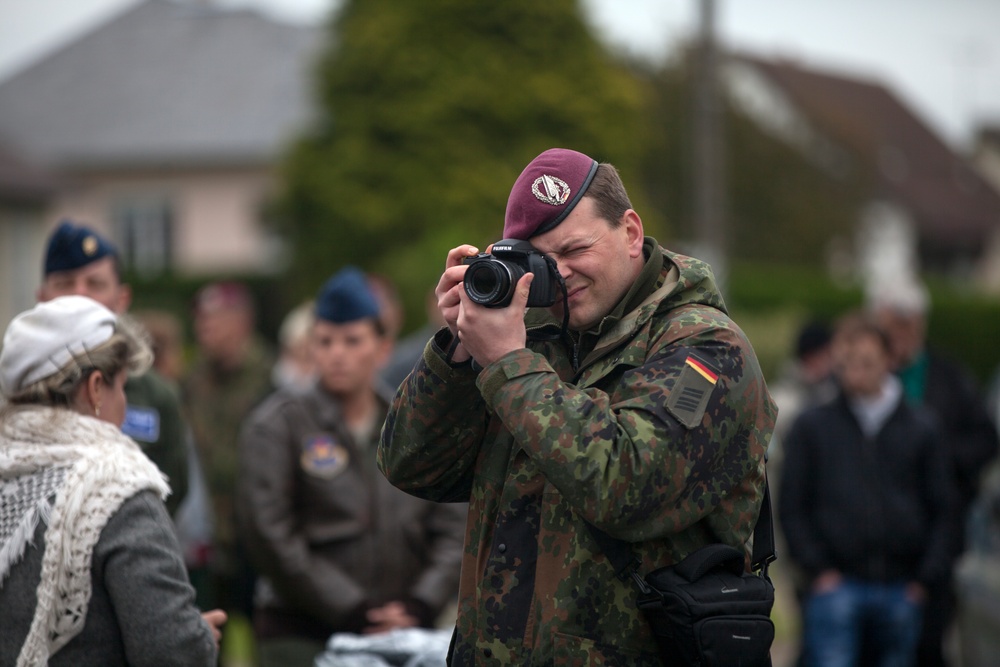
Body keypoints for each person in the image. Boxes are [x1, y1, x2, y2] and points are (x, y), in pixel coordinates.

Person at [378, 147, 777, 664]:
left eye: (576, 249)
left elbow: (628, 485)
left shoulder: (707, 350)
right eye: (542, 260)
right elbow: (411, 465)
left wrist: (507, 363)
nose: (560, 273)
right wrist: (456, 352)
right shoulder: (529, 339)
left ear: (630, 233)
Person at [237, 267, 466, 667]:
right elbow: (270, 535)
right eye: (324, 341)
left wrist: (421, 603)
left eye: (352, 340)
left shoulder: (414, 421)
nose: (336, 353)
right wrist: (352, 607)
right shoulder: (276, 426)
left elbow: (453, 522)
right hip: (304, 632)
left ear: (382, 348)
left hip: (406, 630)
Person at [0, 295, 225, 666]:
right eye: (122, 387)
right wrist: (198, 638)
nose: (124, 402)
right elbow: (170, 653)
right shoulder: (116, 487)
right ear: (95, 389)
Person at [779, 314, 955, 667]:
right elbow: (792, 505)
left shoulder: (922, 429)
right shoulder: (812, 427)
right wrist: (817, 571)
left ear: (889, 361)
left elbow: (944, 508)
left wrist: (924, 580)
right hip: (836, 587)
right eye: (844, 364)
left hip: (903, 587)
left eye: (865, 363)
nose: (853, 373)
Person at [869, 279, 999, 667]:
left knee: (928, 645)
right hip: (871, 546)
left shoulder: (949, 376)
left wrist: (939, 460)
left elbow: (986, 440)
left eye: (910, 326)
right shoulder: (862, 375)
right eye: (895, 325)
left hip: (936, 538)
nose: (902, 336)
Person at [35, 220, 189, 517]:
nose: (80, 295)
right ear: (42, 298)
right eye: (65, 283)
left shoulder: (157, 395)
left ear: (121, 300)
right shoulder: (14, 388)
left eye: (95, 284)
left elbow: (174, 492)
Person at [181, 281, 274, 619]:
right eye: (200, 320)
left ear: (241, 322)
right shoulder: (192, 382)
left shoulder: (270, 377)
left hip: (255, 534)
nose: (203, 329)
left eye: (213, 320)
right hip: (209, 536)